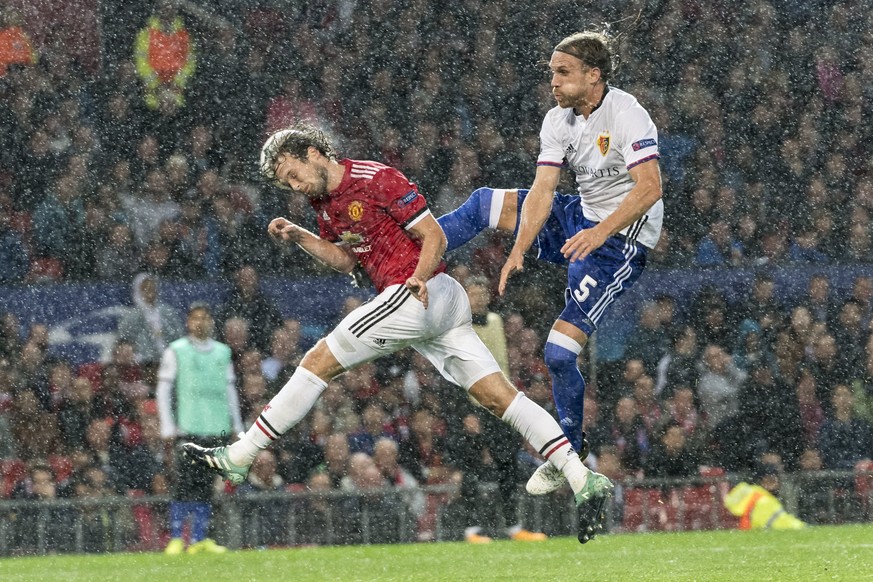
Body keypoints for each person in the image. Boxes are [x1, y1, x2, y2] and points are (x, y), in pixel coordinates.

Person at [183, 124, 611, 544]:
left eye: (292, 173)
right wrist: (300, 236)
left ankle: (240, 455)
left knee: (317, 361)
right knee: (501, 397)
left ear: (313, 152)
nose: (294, 186)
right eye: (286, 183)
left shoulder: (377, 178)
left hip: (418, 291)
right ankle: (581, 477)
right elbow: (346, 260)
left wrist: (419, 279)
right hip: (436, 306)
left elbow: (434, 235)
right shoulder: (323, 203)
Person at [437, 30, 663, 503]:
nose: (554, 82)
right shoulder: (558, 119)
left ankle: (569, 453)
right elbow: (542, 191)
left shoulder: (627, 114)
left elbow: (649, 188)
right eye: (552, 73)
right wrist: (519, 247)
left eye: (563, 73)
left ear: (593, 75)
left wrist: (599, 233)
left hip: (620, 242)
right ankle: (409, 247)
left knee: (559, 353)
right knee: (484, 206)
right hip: (579, 217)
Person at [157, 303, 243, 555]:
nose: (200, 323)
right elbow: (163, 389)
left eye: (205, 318)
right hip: (188, 428)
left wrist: (236, 424)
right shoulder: (176, 350)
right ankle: (175, 538)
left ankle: (197, 539)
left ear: (211, 322)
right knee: (184, 484)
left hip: (216, 428)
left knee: (206, 486)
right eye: (195, 318)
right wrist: (167, 424)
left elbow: (230, 390)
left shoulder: (222, 352)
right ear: (188, 322)